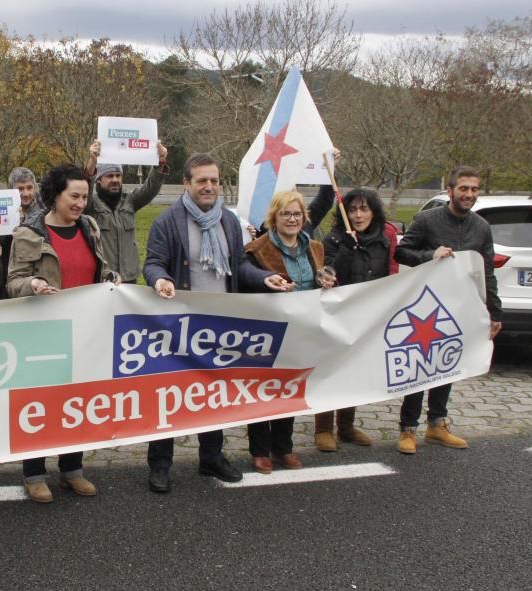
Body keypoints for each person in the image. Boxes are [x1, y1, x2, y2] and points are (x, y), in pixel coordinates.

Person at [143, 153, 289, 492]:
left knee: (213, 393)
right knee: (172, 393)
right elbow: (153, 262)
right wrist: (159, 280)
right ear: (187, 184)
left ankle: (211, 458)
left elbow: (238, 265)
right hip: (179, 325)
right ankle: (160, 464)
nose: (209, 187)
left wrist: (265, 278)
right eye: (201, 181)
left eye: (214, 180)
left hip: (221, 324)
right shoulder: (168, 221)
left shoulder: (227, 220)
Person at [6, 164, 117, 503]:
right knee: (41, 403)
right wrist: (34, 284)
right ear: (55, 195)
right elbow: (12, 283)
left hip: (85, 332)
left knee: (78, 402)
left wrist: (112, 279)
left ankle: (72, 469)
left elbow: (99, 268)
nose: (81, 203)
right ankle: (34, 473)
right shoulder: (28, 234)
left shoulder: (89, 227)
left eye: (85, 197)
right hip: (44, 334)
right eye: (74, 196)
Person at [394, 165, 502, 454]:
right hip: (424, 309)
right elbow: (401, 251)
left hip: (460, 308)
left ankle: (436, 425)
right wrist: (431, 255)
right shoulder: (428, 220)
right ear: (450, 190)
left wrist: (495, 312)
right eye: (464, 188)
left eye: (474, 189)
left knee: (448, 365)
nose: (469, 194)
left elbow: (487, 272)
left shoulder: (481, 227)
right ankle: (407, 428)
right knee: (420, 366)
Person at [244, 190, 332, 473]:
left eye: (297, 214)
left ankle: (284, 447)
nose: (292, 219)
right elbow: (247, 289)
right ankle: (260, 450)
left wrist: (327, 284)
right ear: (274, 217)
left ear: (304, 217)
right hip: (267, 331)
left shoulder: (315, 248)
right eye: (285, 214)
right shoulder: (257, 250)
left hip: (302, 331)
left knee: (291, 388)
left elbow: (317, 283)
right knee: (263, 390)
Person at [316, 187, 398, 452]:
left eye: (364, 209)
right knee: (331, 371)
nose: (358, 214)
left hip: (367, 316)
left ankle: (347, 427)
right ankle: (323, 428)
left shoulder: (383, 239)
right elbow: (329, 273)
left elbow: (390, 273)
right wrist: (348, 249)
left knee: (353, 372)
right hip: (338, 315)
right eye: (352, 209)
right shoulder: (335, 239)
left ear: (374, 212)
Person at [83, 140, 169, 283]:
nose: (115, 180)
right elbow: (85, 186)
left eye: (118, 175)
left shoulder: (129, 200)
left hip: (129, 278)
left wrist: (160, 162)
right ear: (98, 179)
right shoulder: (90, 204)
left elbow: (150, 189)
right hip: (102, 278)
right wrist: (92, 162)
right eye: (110, 176)